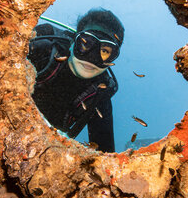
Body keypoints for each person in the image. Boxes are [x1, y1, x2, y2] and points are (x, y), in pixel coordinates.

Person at [28, 8, 124, 152]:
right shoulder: (42, 50)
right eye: (87, 44)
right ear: (75, 40)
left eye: (105, 51)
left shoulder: (99, 96)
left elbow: (104, 154)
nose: (92, 58)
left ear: (112, 58)